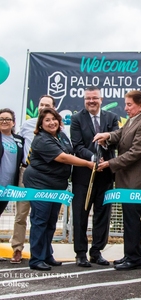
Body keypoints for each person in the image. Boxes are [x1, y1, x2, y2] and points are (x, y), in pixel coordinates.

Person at [23, 108, 97, 271]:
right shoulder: (41, 139)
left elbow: (69, 151)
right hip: (40, 184)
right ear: (41, 124)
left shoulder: (61, 136)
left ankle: (47, 255)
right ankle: (36, 259)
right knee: (40, 221)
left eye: (54, 119)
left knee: (51, 222)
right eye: (47, 120)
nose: (52, 122)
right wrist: (87, 163)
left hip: (56, 185)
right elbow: (62, 157)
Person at [93, 90, 141, 270]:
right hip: (127, 180)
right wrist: (107, 136)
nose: (125, 108)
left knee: (132, 220)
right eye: (125, 104)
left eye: (129, 104)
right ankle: (130, 254)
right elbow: (120, 134)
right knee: (129, 220)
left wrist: (110, 164)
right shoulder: (134, 119)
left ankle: (134, 259)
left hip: (135, 182)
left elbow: (135, 153)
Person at [70, 86, 118, 268]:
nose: (91, 101)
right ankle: (80, 253)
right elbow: (77, 146)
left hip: (105, 176)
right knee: (80, 215)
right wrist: (93, 159)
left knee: (102, 216)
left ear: (101, 99)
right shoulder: (76, 119)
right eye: (88, 98)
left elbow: (115, 140)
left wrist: (105, 144)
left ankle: (96, 252)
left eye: (95, 98)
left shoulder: (111, 118)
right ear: (84, 100)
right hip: (83, 176)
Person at [10, 95, 55, 264]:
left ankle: (45, 251)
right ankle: (17, 249)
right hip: (26, 172)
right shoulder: (27, 125)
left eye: (47, 105)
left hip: (45, 176)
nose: (43, 107)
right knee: (22, 213)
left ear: (53, 108)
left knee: (44, 216)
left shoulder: (56, 127)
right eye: (41, 104)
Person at [0, 108, 24, 216]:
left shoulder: (19, 140)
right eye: (1, 119)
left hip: (7, 188)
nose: (4, 121)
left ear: (13, 122)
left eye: (7, 119)